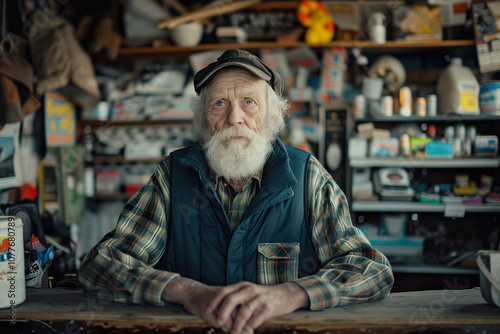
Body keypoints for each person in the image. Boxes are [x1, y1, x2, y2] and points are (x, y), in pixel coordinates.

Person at [79, 49, 394, 334]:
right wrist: (187, 291)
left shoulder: (307, 176)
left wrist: (291, 294)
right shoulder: (173, 176)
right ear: (205, 118)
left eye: (249, 102)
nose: (234, 118)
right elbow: (101, 266)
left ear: (272, 116)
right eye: (219, 103)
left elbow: (372, 269)